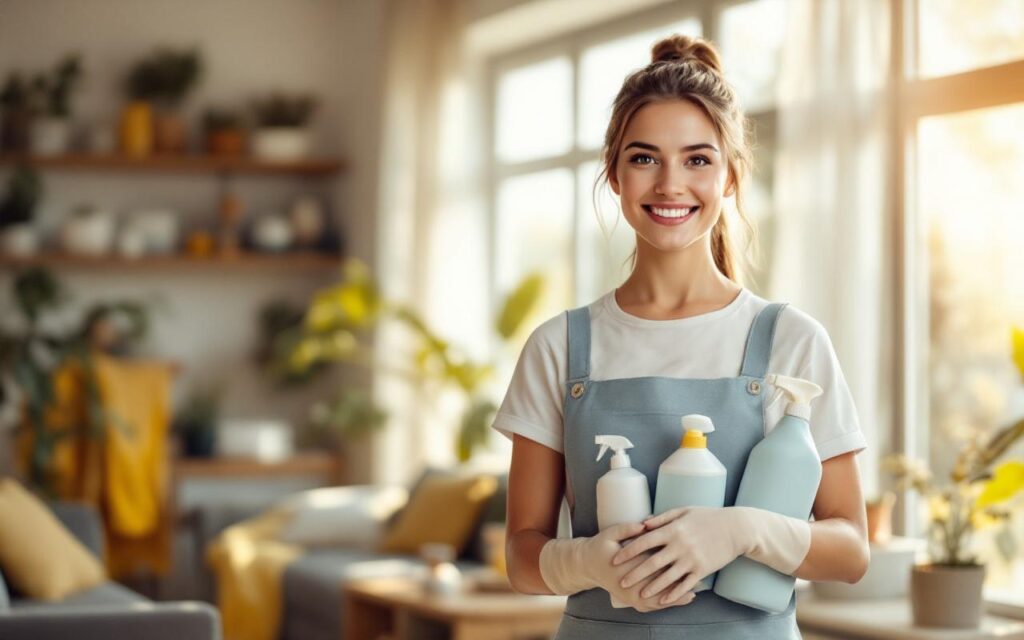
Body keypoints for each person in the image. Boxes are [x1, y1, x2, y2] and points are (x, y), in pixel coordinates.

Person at [492, 34, 870, 639]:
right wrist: (587, 560)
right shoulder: (560, 346)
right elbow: (521, 556)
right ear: (614, 174)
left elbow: (850, 549)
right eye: (644, 158)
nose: (670, 185)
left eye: (698, 160)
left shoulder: (790, 340)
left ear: (731, 177)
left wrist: (742, 530)